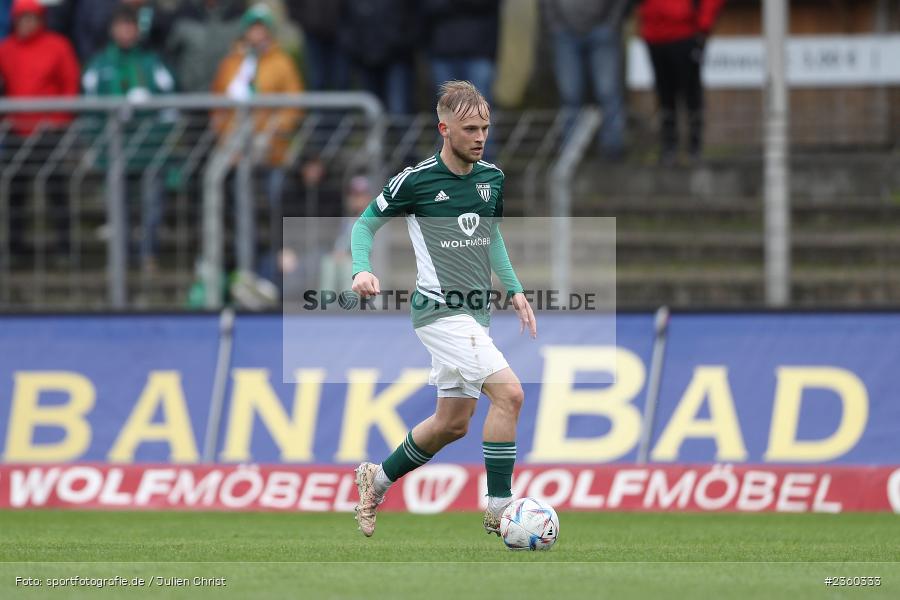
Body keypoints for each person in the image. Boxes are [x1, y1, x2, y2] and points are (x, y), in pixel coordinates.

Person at [350, 80, 536, 538]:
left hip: (476, 315)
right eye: (470, 129)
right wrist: (360, 268)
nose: (480, 137)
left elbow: (491, 237)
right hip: (438, 312)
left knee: (451, 424)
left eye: (485, 128)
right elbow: (364, 225)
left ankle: (376, 480)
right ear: (444, 129)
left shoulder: (492, 179)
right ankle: (500, 509)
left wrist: (514, 289)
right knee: (510, 394)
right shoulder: (415, 181)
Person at [212, 3, 304, 278]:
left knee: (275, 203)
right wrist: (226, 141)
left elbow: (294, 104)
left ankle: (276, 258)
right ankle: (245, 264)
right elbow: (218, 104)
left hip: (272, 152)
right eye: (253, 28)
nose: (258, 34)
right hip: (238, 153)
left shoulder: (282, 62)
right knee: (239, 208)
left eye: (262, 28)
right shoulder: (232, 62)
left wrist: (273, 131)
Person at [81, 4, 176, 271]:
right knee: (118, 207)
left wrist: (156, 129)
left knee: (152, 205)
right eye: (121, 26)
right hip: (115, 150)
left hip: (149, 149)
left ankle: (148, 255)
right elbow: (89, 110)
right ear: (112, 30)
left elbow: (171, 107)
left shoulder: (152, 62)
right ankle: (120, 258)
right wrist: (98, 143)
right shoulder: (99, 65)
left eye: (130, 26)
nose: (125, 31)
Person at [0, 0, 80, 258]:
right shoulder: (6, 49)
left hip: (48, 131)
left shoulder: (57, 45)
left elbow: (70, 82)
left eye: (31, 18)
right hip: (17, 130)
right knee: (15, 193)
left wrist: (58, 120)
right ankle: (15, 247)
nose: (26, 23)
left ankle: (64, 247)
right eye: (21, 18)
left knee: (57, 191)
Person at [543, 0, 633, 160]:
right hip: (564, 33)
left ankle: (613, 149)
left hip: (604, 30)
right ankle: (570, 152)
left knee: (608, 92)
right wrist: (555, 25)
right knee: (570, 95)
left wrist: (612, 23)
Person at [638, 0, 725, 165]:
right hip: (654, 35)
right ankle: (669, 148)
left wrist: (703, 26)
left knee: (691, 94)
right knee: (664, 96)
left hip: (685, 34)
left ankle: (694, 149)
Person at [339, 0, 419, 115]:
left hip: (398, 57)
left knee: (398, 108)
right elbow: (346, 22)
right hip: (366, 58)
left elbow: (415, 17)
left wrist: (402, 42)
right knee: (372, 110)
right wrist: (355, 49)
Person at [422, 0, 500, 105]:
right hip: (442, 50)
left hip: (479, 50)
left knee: (478, 107)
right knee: (447, 108)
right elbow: (429, 6)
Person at [165, 0, 244, 93]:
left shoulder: (238, 13)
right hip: (189, 94)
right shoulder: (184, 14)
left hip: (227, 94)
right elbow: (169, 53)